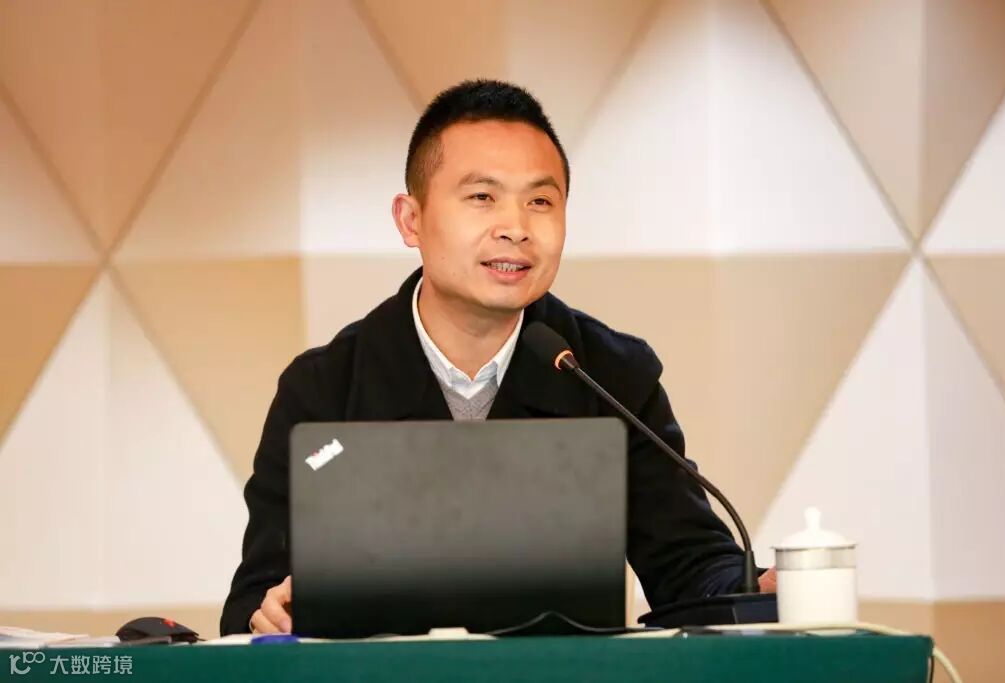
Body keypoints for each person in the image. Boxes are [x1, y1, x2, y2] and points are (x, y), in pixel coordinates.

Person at [221, 79, 775, 636]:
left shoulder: (609, 375)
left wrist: (758, 589)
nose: (516, 228)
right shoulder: (323, 388)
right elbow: (255, 596)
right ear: (411, 220)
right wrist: (268, 613)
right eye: (482, 197)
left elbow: (689, 564)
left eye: (540, 202)